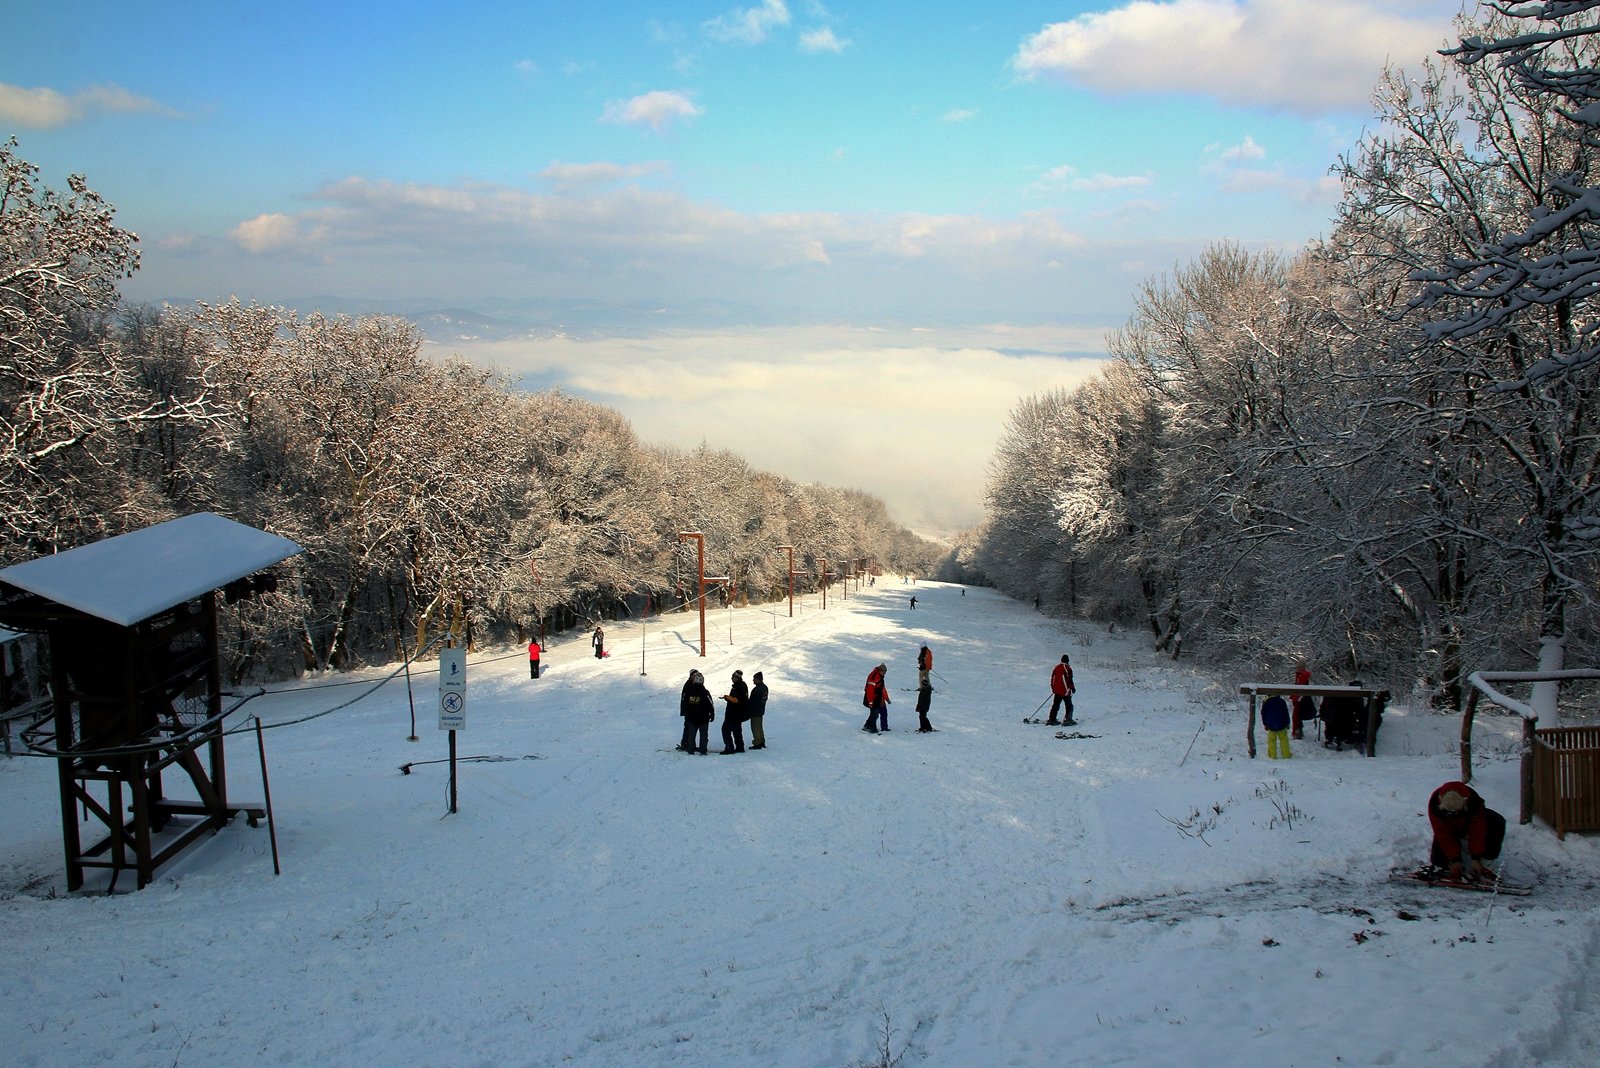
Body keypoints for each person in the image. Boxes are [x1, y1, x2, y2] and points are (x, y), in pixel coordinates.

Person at [1427, 781, 1506, 881]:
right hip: (1451, 829)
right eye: (1449, 813)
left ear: (1465, 802)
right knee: (1438, 860)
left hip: (1468, 825)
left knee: (1496, 821)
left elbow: (1477, 831)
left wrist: (1476, 858)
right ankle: (1445, 866)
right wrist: (1454, 859)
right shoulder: (1435, 804)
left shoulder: (1474, 802)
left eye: (1456, 812)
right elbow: (1443, 834)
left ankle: (1486, 861)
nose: (1453, 815)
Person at [678, 669, 714, 754]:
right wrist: (712, 713)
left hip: (692, 717)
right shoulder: (705, 692)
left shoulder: (689, 691)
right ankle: (703, 749)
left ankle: (690, 749)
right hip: (703, 717)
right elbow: (710, 703)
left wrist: (686, 711)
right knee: (703, 734)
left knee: (691, 734)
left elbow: (684, 701)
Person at [719, 669, 749, 754]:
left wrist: (728, 698)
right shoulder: (742, 685)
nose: (731, 679)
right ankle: (740, 747)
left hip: (733, 713)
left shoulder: (739, 686)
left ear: (736, 678)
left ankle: (729, 748)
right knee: (737, 730)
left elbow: (737, 700)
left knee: (725, 729)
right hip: (739, 713)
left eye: (733, 677)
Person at [1047, 654, 1076, 726]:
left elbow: (1052, 679)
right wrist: (1072, 688)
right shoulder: (1067, 668)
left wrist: (1053, 689)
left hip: (1057, 691)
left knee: (1055, 705)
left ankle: (1052, 719)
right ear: (1068, 660)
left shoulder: (1056, 668)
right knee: (1069, 705)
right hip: (1065, 691)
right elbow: (1070, 680)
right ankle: (1067, 719)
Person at [861, 663, 890, 733]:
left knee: (879, 713)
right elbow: (870, 691)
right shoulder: (874, 677)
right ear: (881, 671)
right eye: (884, 672)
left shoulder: (880, 677)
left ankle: (868, 726)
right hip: (874, 699)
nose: (885, 674)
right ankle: (872, 729)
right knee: (875, 714)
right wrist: (870, 702)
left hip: (879, 698)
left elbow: (882, 689)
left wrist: (887, 699)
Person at [1261, 694, 1292, 759]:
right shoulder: (1281, 701)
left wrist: (1265, 724)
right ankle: (1286, 754)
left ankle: (1272, 755)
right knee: (1284, 740)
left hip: (1270, 725)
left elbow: (1263, 714)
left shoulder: (1266, 702)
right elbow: (1285, 712)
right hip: (1282, 724)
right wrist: (1287, 723)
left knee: (1271, 740)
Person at [747, 671, 769, 749]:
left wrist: (749, 709)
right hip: (760, 710)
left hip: (755, 711)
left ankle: (757, 743)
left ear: (758, 679)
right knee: (759, 727)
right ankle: (761, 741)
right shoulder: (764, 688)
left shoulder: (757, 689)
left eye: (754, 679)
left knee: (755, 727)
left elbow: (752, 701)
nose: (753, 680)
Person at [1291, 662, 1313, 739]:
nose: (1298, 669)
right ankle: (1297, 730)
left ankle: (1297, 732)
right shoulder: (1299, 675)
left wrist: (1298, 697)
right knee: (1297, 715)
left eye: (1299, 667)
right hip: (1299, 697)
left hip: (1301, 698)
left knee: (1296, 716)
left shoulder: (1303, 675)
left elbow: (1301, 687)